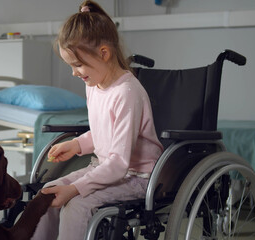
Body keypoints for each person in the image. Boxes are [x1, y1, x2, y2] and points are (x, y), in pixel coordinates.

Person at [30, 1, 164, 240]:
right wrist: (77, 145)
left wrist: (74, 189)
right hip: (107, 169)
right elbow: (105, 133)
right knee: (46, 195)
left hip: (137, 177)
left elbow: (120, 163)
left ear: (104, 53)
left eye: (78, 64)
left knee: (76, 206)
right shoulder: (94, 84)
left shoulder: (126, 92)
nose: (74, 73)